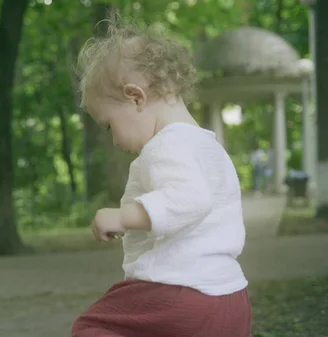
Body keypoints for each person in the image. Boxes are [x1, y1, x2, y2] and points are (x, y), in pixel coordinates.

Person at [71, 13, 251, 337]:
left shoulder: (165, 146)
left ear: (136, 97)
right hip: (230, 298)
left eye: (110, 125)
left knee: (93, 327)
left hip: (179, 291)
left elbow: (191, 199)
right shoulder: (209, 147)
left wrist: (123, 217)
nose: (114, 140)